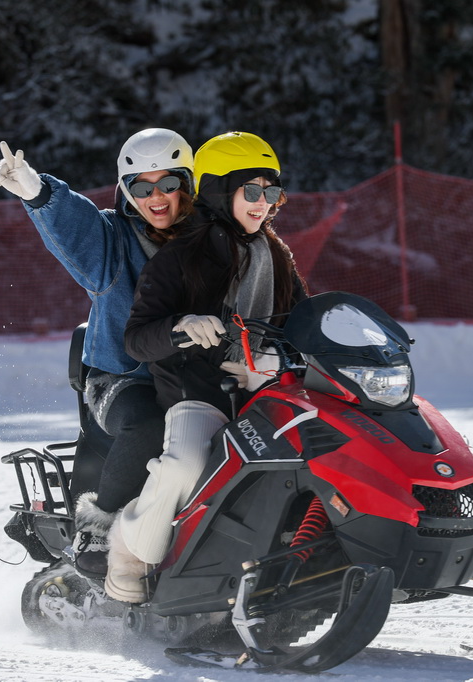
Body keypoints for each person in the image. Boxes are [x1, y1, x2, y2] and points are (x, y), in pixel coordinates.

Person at [111, 131, 308, 602]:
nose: (264, 204)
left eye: (272, 192)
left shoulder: (273, 253)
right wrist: (183, 325)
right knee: (187, 466)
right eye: (252, 191)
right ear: (220, 190)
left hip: (262, 388)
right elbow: (138, 338)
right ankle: (127, 555)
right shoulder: (181, 255)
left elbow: (303, 315)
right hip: (195, 389)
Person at [0, 129, 194, 583]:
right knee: (149, 423)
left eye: (168, 183)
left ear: (188, 184)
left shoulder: (204, 241)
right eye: (141, 187)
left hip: (192, 377)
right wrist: (37, 191)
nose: (156, 197)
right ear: (126, 191)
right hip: (122, 379)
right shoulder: (113, 241)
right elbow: (75, 226)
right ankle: (97, 530)